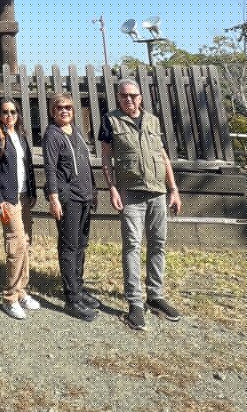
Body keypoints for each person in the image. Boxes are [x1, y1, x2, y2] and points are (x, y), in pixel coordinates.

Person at [99, 77, 182, 330]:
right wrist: (112, 189)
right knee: (132, 246)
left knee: (158, 243)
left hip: (157, 192)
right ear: (118, 98)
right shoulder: (110, 121)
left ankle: (155, 297)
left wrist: (174, 189)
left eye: (133, 95)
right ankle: (135, 303)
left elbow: (163, 156)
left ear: (141, 97)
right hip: (130, 192)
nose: (129, 100)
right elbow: (105, 159)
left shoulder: (153, 121)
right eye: (124, 96)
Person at [42, 92, 99, 321]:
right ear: (52, 111)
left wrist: (94, 192)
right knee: (69, 246)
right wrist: (54, 198)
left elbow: (85, 163)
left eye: (68, 108)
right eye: (60, 108)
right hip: (69, 199)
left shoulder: (76, 132)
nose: (64, 111)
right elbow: (50, 169)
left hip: (85, 197)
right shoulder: (52, 135)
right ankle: (72, 299)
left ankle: (79, 287)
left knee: (81, 245)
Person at [0, 97, 40, 319]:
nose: (9, 116)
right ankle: (9, 297)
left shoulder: (21, 135)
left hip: (25, 195)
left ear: (18, 114)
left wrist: (33, 191)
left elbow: (29, 166)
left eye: (13, 112)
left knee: (26, 243)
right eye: (5, 112)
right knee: (15, 245)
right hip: (8, 199)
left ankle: (21, 290)